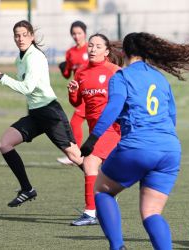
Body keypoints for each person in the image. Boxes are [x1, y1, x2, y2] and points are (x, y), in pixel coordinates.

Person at [79, 32, 189, 249]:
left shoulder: (122, 76)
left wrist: (93, 138)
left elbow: (114, 107)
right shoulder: (160, 79)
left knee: (102, 191)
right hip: (170, 150)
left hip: (137, 146)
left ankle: (117, 247)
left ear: (123, 52)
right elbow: (171, 116)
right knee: (151, 213)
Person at [0, 20, 83, 207]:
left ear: (31, 36)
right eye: (17, 35)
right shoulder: (20, 58)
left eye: (24, 34)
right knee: (4, 144)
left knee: (75, 156)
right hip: (36, 114)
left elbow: (28, 88)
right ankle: (27, 189)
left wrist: (2, 77)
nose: (20, 38)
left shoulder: (35, 57)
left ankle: (105, 187)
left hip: (50, 113)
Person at [68, 33, 123, 226]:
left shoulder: (115, 71)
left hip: (112, 128)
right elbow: (77, 102)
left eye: (98, 46)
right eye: (90, 46)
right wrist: (73, 92)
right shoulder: (81, 72)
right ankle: (106, 200)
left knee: (90, 163)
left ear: (107, 51)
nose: (92, 49)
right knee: (104, 171)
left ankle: (90, 213)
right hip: (95, 130)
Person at [57, 21, 89, 165]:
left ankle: (77, 155)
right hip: (80, 93)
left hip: (93, 91)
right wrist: (63, 68)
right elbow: (67, 73)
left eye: (79, 33)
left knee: (76, 122)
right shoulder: (70, 52)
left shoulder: (92, 48)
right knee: (77, 123)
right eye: (74, 34)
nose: (76, 36)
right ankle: (78, 154)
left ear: (85, 33)